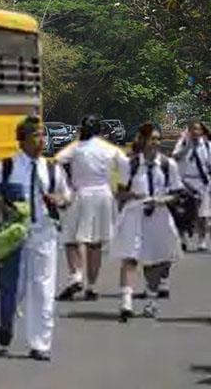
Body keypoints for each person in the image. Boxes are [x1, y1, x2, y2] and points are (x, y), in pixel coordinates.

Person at [0, 115, 70, 361]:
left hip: (44, 233)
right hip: (15, 234)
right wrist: (6, 208)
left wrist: (59, 200)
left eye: (44, 135)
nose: (41, 140)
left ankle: (40, 343)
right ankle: (7, 321)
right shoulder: (8, 167)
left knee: (43, 288)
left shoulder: (52, 168)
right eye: (36, 135)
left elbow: (67, 196)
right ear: (21, 140)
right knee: (14, 286)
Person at [110, 123, 182, 322]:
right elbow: (120, 192)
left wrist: (160, 200)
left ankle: (151, 297)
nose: (155, 143)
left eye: (158, 139)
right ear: (142, 140)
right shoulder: (130, 164)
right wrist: (131, 195)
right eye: (152, 139)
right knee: (130, 257)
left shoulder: (168, 165)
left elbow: (177, 194)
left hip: (158, 215)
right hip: (135, 213)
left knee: (156, 261)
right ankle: (126, 302)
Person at [56, 115, 129, 301]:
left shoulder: (77, 147)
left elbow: (58, 160)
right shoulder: (108, 148)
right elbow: (124, 163)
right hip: (104, 193)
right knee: (95, 243)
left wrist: (67, 183)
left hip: (82, 193)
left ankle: (76, 275)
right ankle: (92, 286)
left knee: (71, 238)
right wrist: (122, 185)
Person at [173, 121, 211, 252]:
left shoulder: (206, 145)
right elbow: (175, 156)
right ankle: (183, 239)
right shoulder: (183, 143)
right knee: (184, 213)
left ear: (202, 131)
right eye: (193, 129)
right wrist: (187, 146)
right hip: (186, 181)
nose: (196, 132)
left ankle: (202, 240)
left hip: (202, 181)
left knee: (203, 214)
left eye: (198, 129)